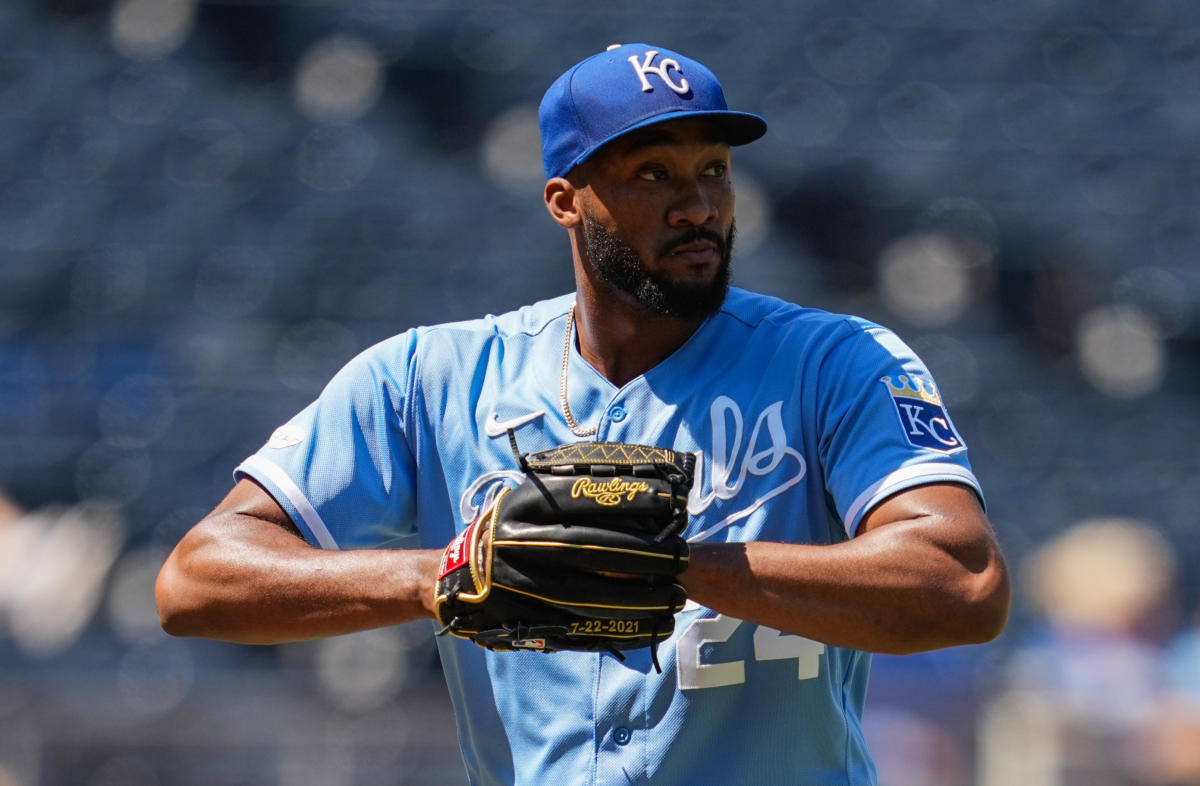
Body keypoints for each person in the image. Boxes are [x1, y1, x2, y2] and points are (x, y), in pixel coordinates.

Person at [156, 43, 1010, 784]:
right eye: (653, 175)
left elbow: (963, 584)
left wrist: (669, 565)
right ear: (566, 200)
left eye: (713, 168)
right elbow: (199, 580)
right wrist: (450, 574)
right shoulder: (429, 377)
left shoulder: (837, 362)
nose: (698, 206)